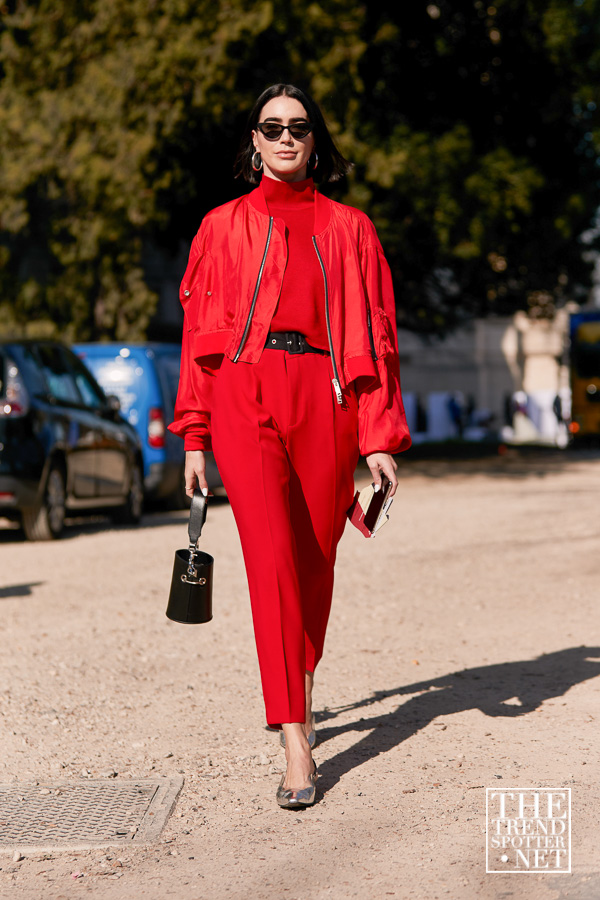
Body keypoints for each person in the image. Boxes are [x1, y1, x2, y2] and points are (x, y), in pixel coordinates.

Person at [168, 84, 411, 809]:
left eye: (298, 127)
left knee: (314, 563)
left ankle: (298, 682)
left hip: (326, 398)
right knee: (271, 561)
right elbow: (197, 342)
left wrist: (379, 435)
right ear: (254, 141)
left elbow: (379, 337)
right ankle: (295, 737)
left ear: (315, 141)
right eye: (272, 127)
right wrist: (195, 436)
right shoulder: (220, 228)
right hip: (245, 397)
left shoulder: (351, 229)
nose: (284, 138)